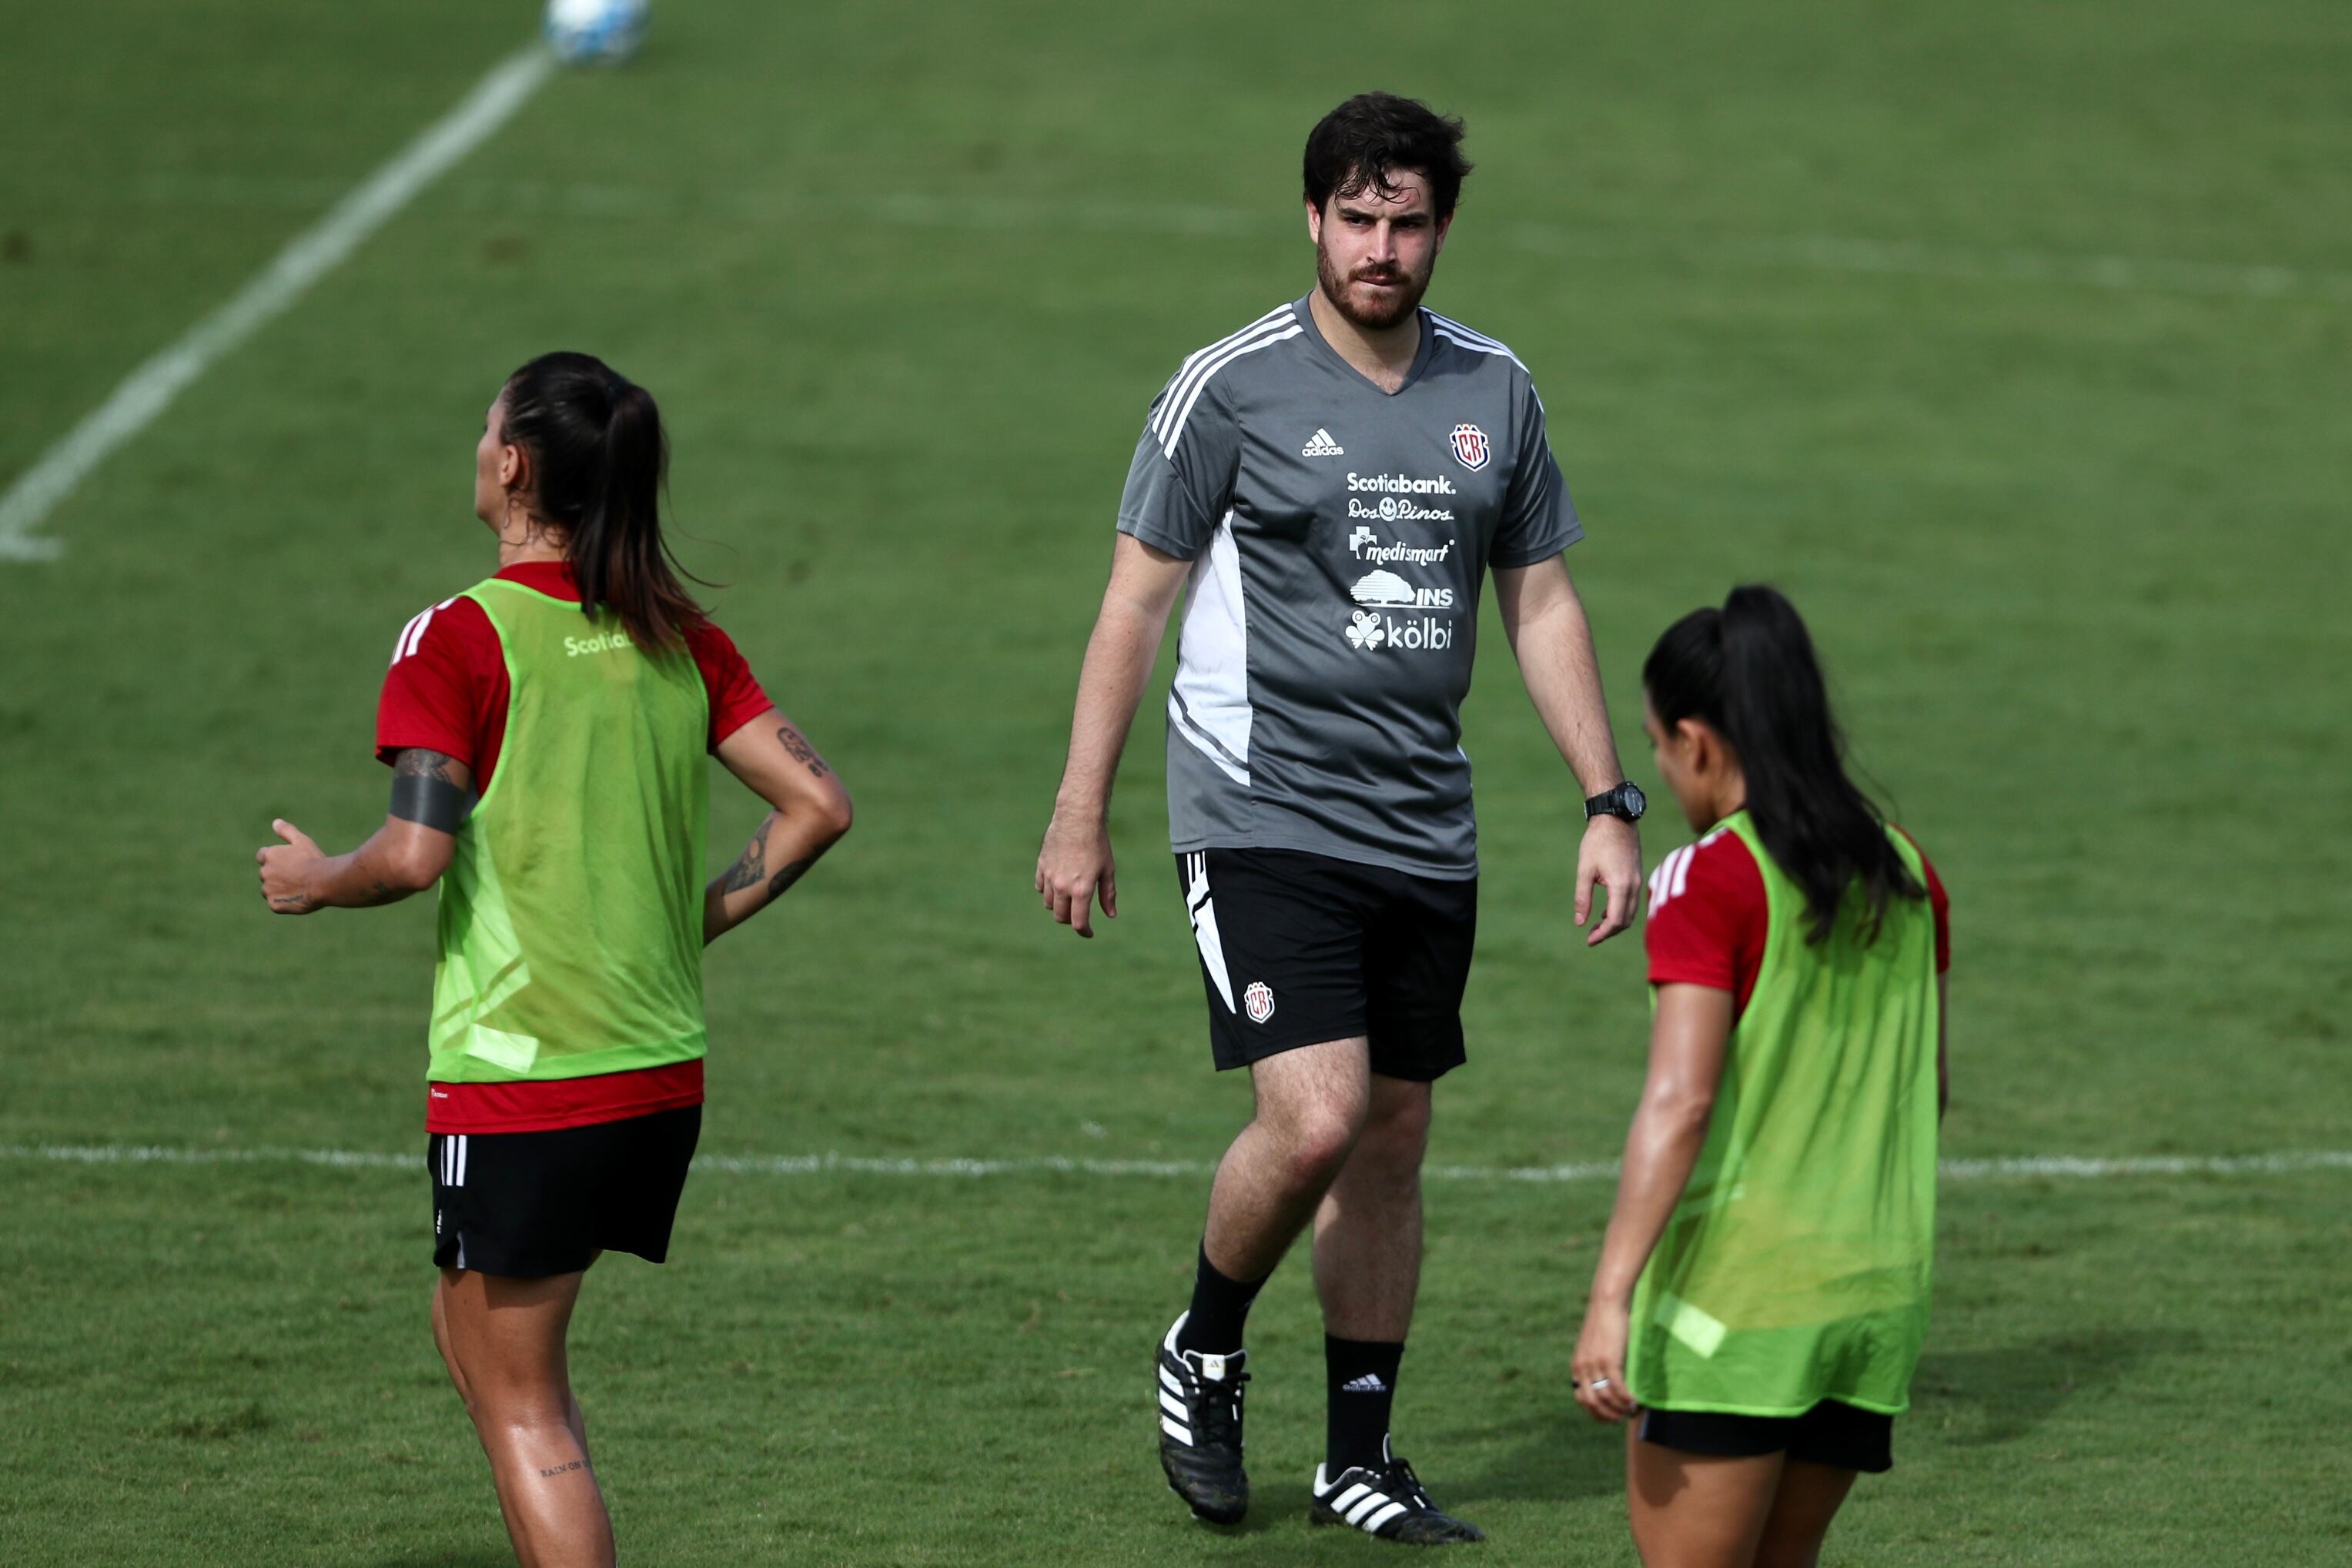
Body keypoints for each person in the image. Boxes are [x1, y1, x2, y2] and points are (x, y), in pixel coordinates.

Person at [1035, 93, 1645, 1544]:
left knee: (1392, 1134)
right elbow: (1135, 600)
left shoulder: (1495, 390)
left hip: (1424, 821)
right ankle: (1204, 1341)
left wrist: (1607, 801)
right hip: (1257, 804)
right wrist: (1080, 810)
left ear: (1443, 227)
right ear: (1312, 218)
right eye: (1357, 218)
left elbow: (1540, 594)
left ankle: (1356, 1456)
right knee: (1312, 1118)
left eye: (1409, 220)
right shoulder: (1229, 386)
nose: (1382, 247)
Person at [255, 352, 852, 1568]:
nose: (476, 447)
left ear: (515, 464)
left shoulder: (458, 638)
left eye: (486, 430)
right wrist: (680, 924)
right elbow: (818, 806)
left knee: (524, 1401)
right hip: (655, 1073)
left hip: (526, 1080)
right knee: (477, 1342)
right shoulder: (680, 638)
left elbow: (416, 855)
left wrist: (320, 879)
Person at [1569, 586, 1950, 1568]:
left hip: (1732, 1306)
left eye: (1656, 744)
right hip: (1869, 1299)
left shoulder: (1711, 878)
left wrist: (1610, 1295)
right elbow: (1930, 1091)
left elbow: (1680, 1099)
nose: (1660, 762)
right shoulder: (1907, 872)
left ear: (1695, 741)